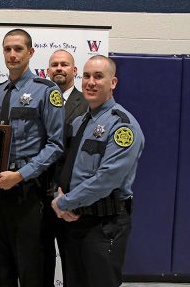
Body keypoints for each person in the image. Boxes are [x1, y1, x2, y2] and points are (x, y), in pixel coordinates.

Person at [51, 55, 145, 287]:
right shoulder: (80, 122)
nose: (90, 82)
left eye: (98, 76)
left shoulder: (122, 126)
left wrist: (64, 203)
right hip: (75, 220)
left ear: (113, 83)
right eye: (86, 76)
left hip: (104, 224)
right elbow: (65, 167)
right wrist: (59, 194)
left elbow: (107, 179)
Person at [0, 29, 65, 287]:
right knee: (1, 269)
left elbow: (56, 144)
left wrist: (20, 175)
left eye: (18, 49)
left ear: (30, 53)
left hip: (28, 194)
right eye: (7, 49)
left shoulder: (46, 91)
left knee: (33, 272)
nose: (12, 54)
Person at [43, 49, 88, 286]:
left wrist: (70, 191)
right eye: (54, 65)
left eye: (64, 64)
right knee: (40, 260)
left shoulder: (87, 104)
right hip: (38, 195)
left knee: (71, 261)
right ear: (47, 71)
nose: (59, 68)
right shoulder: (39, 100)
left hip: (68, 194)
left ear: (74, 70)